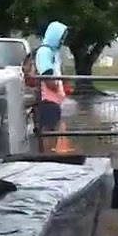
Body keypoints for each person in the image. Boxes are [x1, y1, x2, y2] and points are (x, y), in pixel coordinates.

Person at [35, 20, 69, 152]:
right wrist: (55, 86)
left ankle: (51, 154)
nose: (63, 40)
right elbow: (47, 74)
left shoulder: (53, 52)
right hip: (48, 99)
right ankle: (48, 157)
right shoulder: (45, 51)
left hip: (54, 99)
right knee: (49, 129)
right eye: (62, 36)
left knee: (54, 128)